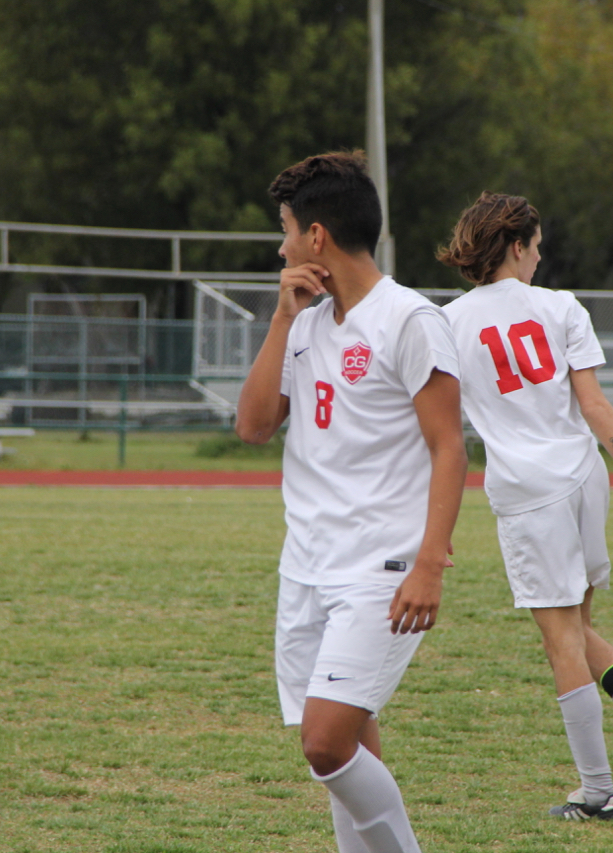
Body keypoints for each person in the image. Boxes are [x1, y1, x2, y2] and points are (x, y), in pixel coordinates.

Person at [235, 152, 467, 853]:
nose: (280, 247)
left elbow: (450, 447)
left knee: (325, 743)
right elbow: (251, 427)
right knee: (349, 747)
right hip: (306, 566)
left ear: (315, 237)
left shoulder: (410, 319)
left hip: (381, 570)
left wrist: (430, 561)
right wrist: (281, 319)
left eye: (284, 229)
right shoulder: (305, 323)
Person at [437, 192, 613, 821]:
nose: (542, 254)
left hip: (528, 490)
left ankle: (597, 792)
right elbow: (594, 405)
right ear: (516, 245)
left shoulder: (447, 321)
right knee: (575, 629)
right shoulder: (561, 306)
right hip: (585, 477)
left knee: (560, 643)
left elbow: (436, 424)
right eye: (537, 243)